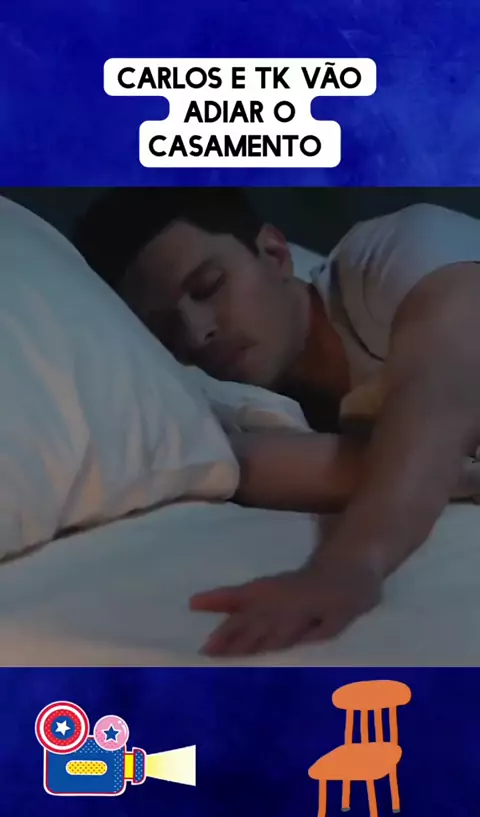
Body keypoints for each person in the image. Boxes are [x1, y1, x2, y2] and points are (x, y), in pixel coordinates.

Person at [75, 188, 480, 656]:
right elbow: (239, 462)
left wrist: (349, 565)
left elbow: (439, 391)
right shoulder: (249, 405)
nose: (197, 332)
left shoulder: (404, 252)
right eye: (165, 328)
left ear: (275, 254)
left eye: (208, 287)